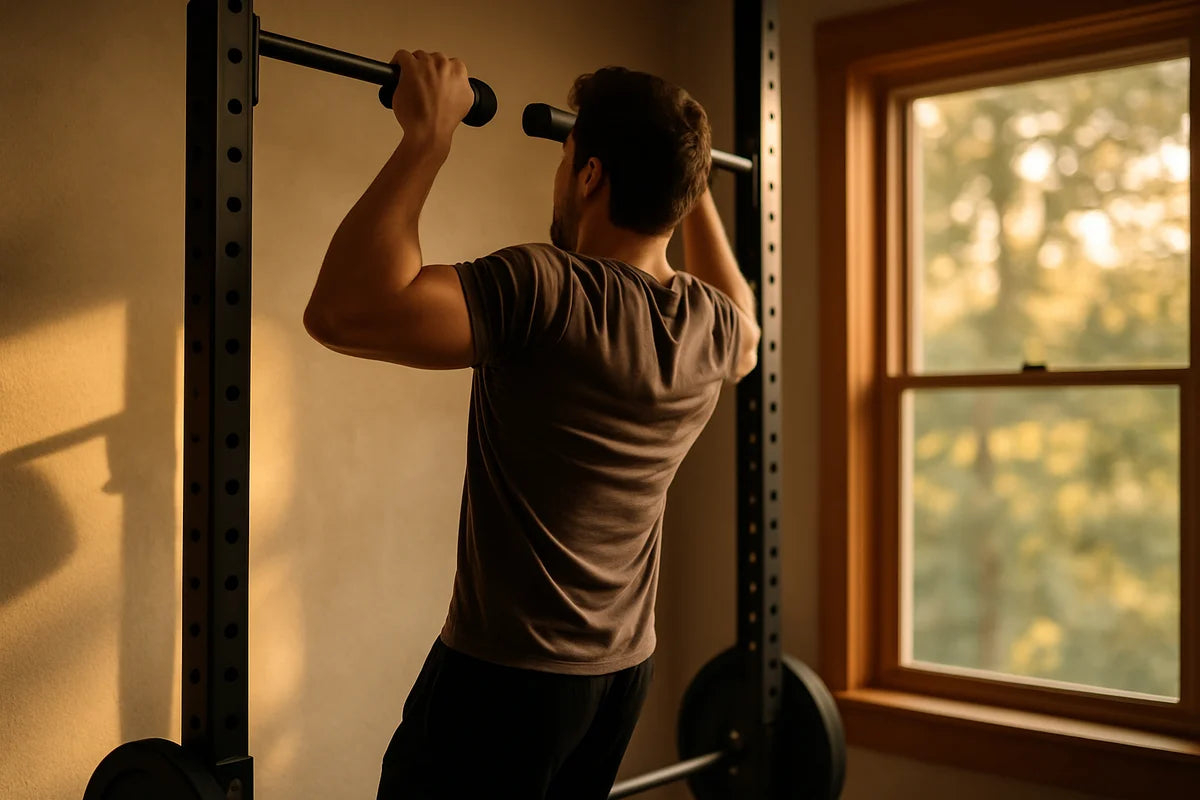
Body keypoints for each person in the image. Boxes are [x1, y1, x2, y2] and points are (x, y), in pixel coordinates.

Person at [303, 48, 761, 800]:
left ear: (589, 175)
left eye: (568, 157)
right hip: (618, 678)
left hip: (504, 681)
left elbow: (342, 312)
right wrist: (693, 183)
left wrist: (428, 139)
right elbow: (742, 312)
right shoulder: (711, 330)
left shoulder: (549, 291)